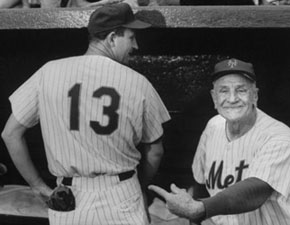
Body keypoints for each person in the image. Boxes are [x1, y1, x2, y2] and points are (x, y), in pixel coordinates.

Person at [1, 3, 170, 225]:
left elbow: (10, 134)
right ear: (111, 38)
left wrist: (38, 186)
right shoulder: (138, 82)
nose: (135, 45)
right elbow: (155, 152)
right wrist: (137, 187)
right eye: (131, 37)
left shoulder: (48, 71)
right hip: (122, 193)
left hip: (69, 197)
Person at [149, 58, 290, 225]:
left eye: (241, 90)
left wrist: (200, 208)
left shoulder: (279, 136)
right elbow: (200, 183)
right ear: (214, 98)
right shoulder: (213, 126)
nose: (232, 99)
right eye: (224, 91)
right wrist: (195, 215)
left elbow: (256, 191)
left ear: (255, 95)